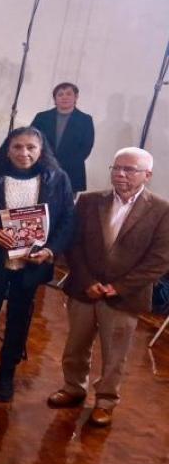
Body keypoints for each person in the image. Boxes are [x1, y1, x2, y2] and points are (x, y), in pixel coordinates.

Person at [48, 147, 169, 426]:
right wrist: (88, 281)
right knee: (76, 344)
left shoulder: (162, 211)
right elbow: (73, 245)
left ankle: (106, 400)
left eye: (129, 169)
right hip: (84, 288)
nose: (121, 174)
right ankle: (73, 387)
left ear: (147, 175)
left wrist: (119, 287)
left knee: (115, 353)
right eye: (116, 168)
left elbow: (160, 260)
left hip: (125, 297)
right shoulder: (89, 201)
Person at [0, 127, 76, 402]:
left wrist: (50, 250)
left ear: (41, 150)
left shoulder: (56, 178)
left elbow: (67, 221)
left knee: (19, 320)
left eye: (31, 147)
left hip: (31, 264)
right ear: (7, 148)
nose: (24, 153)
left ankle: (6, 374)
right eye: (17, 147)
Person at [31, 82, 95, 193]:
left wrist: (60, 166)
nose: (64, 97)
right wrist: (46, 162)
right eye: (60, 94)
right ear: (55, 99)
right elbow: (31, 141)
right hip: (41, 169)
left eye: (69, 94)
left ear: (76, 97)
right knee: (37, 208)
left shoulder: (85, 120)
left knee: (64, 208)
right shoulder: (41, 117)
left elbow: (86, 148)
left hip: (70, 173)